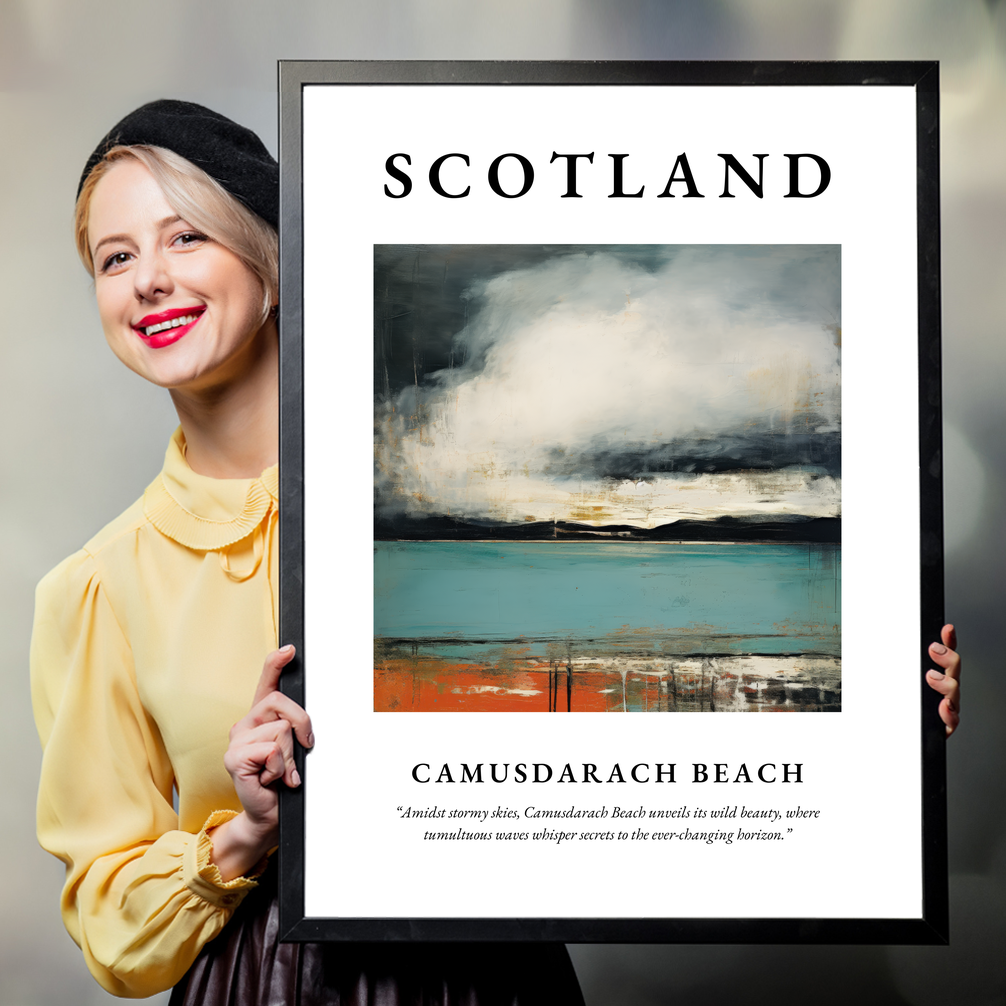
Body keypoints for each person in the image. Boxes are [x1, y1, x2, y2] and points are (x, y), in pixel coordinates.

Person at [30, 100, 585, 1004]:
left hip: (491, 973)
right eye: (116, 257)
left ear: (274, 264)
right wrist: (245, 832)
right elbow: (110, 924)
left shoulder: (457, 498)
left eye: (186, 239)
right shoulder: (97, 587)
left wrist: (886, 706)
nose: (148, 281)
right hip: (263, 981)